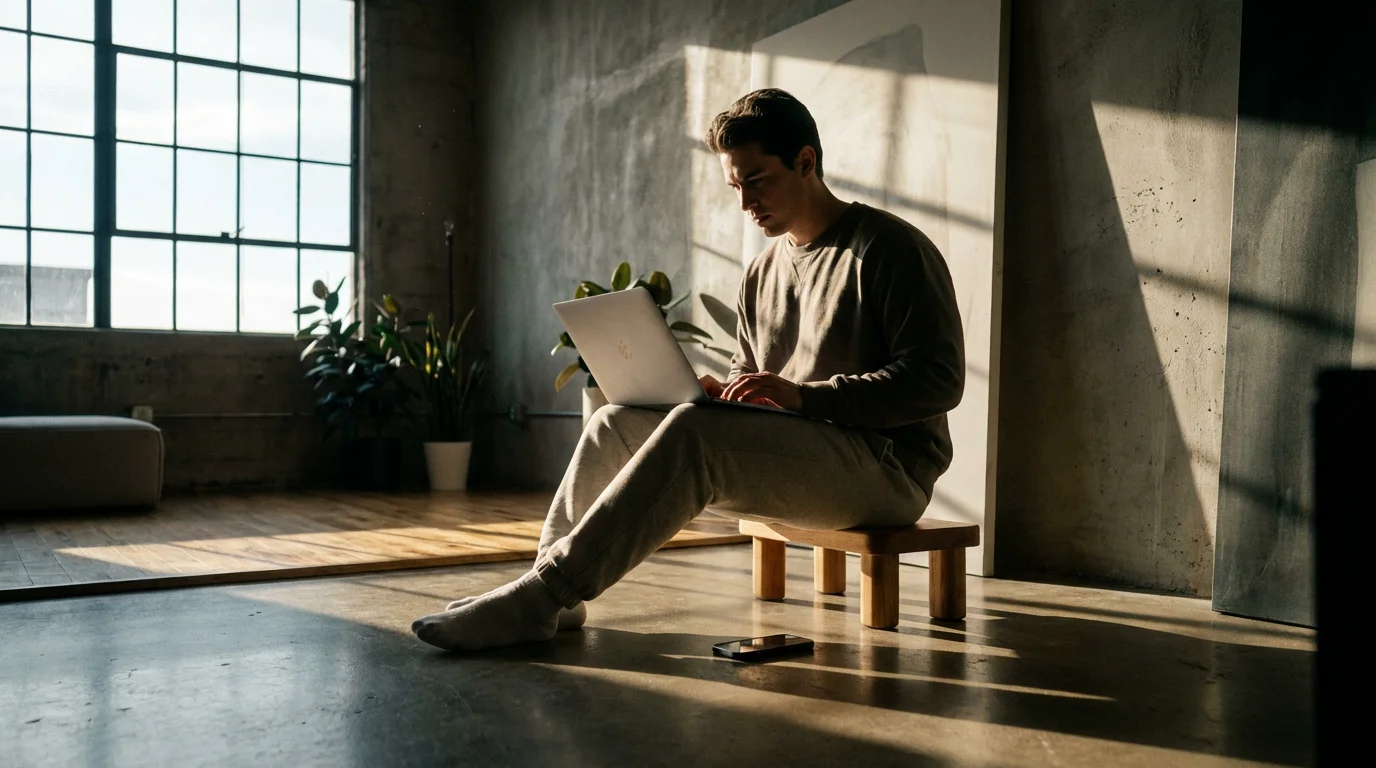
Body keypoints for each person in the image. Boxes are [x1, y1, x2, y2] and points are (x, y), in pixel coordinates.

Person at [412, 88, 965, 651]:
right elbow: (751, 374)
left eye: (758, 180)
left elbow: (940, 380)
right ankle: (556, 594)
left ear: (805, 161)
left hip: (889, 468)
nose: (747, 203)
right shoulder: (761, 272)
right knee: (615, 422)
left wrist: (805, 397)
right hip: (807, 450)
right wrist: (725, 394)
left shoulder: (891, 249)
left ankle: (539, 598)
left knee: (697, 438)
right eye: (735, 187)